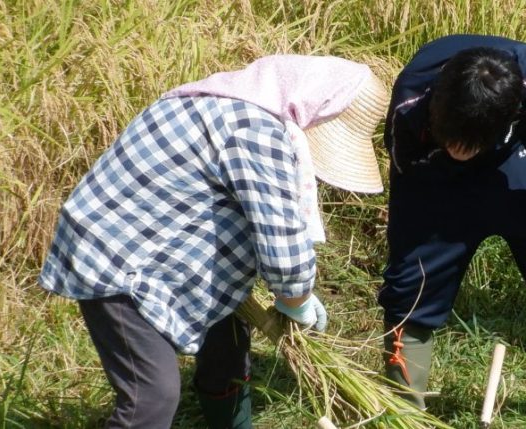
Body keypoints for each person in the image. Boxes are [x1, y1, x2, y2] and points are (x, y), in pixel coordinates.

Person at [38, 55, 389, 428]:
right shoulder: (254, 130)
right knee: (152, 396)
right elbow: (282, 248)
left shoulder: (230, 103)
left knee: (228, 337)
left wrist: (293, 291)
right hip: (117, 259)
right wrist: (297, 297)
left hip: (154, 246)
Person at [376, 35, 526, 426]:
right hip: (434, 178)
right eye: (455, 139)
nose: (463, 150)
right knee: (411, 284)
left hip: (510, 165)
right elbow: (407, 177)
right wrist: (449, 164)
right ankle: (404, 412)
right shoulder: (411, 97)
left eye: (469, 144)